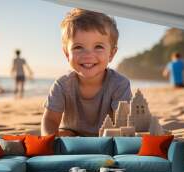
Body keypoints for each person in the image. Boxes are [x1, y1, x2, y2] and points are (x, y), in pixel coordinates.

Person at [41, 8, 132, 137]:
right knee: (63, 134)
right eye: (78, 47)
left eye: (98, 47)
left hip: (107, 136)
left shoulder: (119, 84)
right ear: (67, 54)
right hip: (73, 136)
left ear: (111, 54)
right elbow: (50, 120)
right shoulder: (62, 85)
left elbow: (124, 123)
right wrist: (49, 140)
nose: (88, 55)